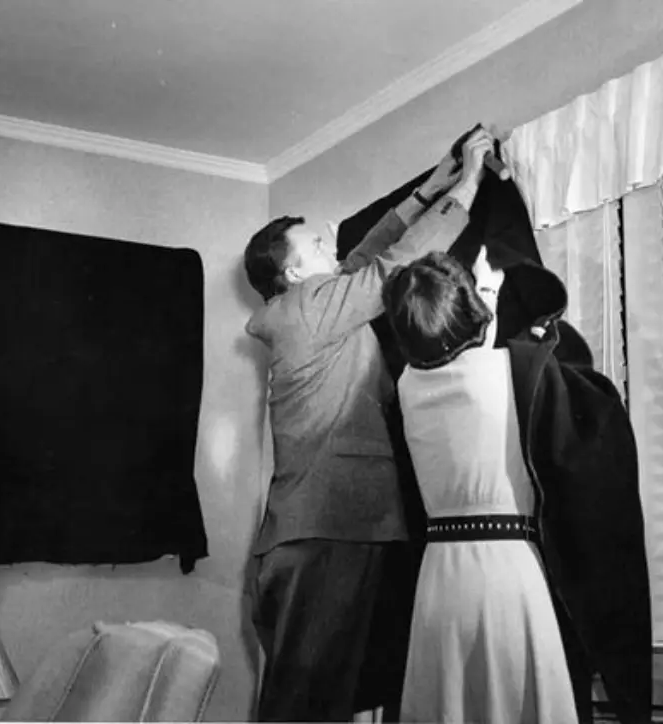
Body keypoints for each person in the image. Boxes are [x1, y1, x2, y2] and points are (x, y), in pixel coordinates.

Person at [242, 127, 496, 722]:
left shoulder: (308, 305)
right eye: (314, 239)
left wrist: (430, 187)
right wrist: (470, 183)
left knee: (321, 701)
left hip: (329, 529)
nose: (331, 236)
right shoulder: (307, 310)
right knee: (306, 708)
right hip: (328, 529)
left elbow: (363, 258)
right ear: (295, 273)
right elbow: (392, 266)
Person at [382, 247, 580, 724]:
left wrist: (478, 295)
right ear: (470, 308)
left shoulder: (407, 387)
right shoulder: (514, 369)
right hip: (506, 569)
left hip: (440, 578)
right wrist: (487, 290)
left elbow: (457, 351)